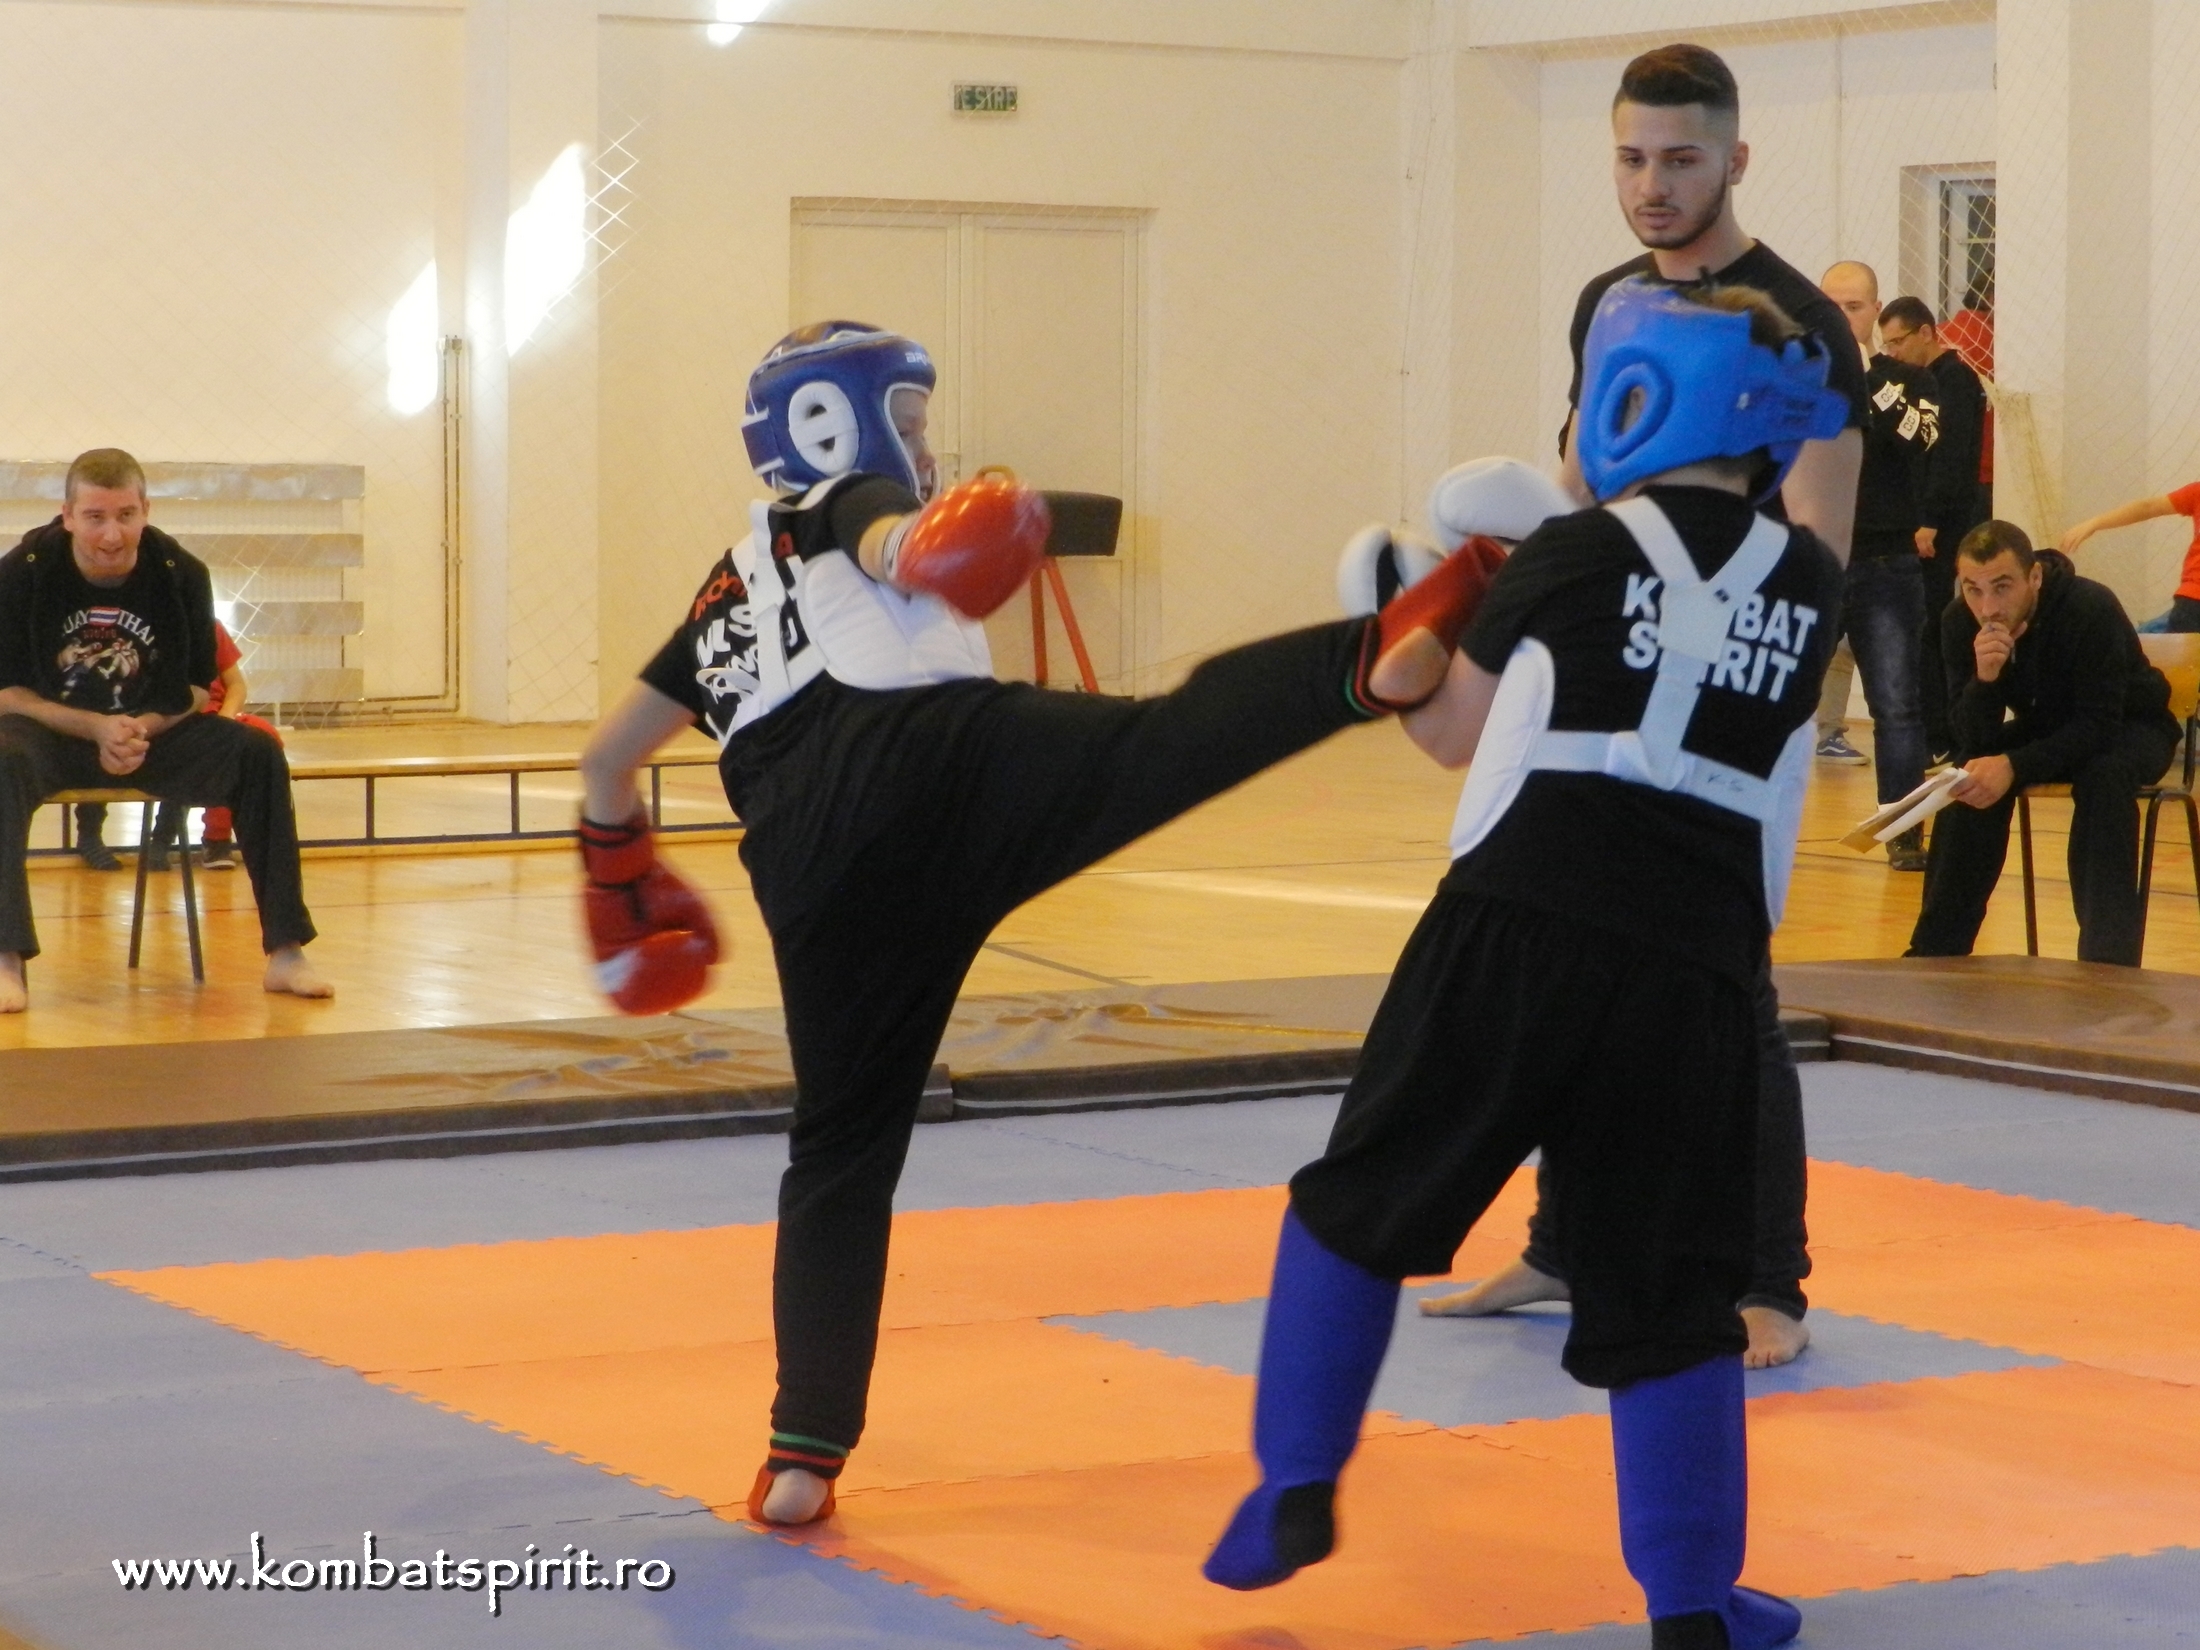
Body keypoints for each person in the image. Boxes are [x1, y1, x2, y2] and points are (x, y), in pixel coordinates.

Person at [573, 321, 1498, 1529]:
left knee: (841, 1149)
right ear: (828, 427)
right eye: (907, 423)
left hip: (806, 862)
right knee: (1161, 738)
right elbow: (890, 537)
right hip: (931, 757)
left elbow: (606, 761)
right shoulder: (838, 500)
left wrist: (616, 871)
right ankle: (1364, 661)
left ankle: (803, 1453)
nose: (924, 447)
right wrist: (932, 540)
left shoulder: (718, 596)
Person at [1203, 279, 1846, 1650]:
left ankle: (1292, 1484)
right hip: (1699, 963)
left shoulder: (1575, 552)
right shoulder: (1809, 582)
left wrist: (1399, 629)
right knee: (1673, 1290)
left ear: (1632, 400)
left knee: (1363, 1196)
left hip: (1518, 920)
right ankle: (1692, 1603)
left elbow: (1449, 732)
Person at [1428, 41, 1867, 1371]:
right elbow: (1585, 482)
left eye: (1681, 159)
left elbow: (1820, 546)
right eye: (1630, 158)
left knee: (1732, 980)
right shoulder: (1608, 300)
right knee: (1583, 954)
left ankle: (1769, 1281)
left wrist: (1750, 676)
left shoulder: (1798, 320)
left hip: (1734, 682)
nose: (1652, 185)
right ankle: (1565, 1244)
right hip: (1607, 667)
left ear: (1736, 158)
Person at [0, 449, 331, 1012]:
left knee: (257, 751)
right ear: (68, 515)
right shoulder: (22, 571)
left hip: (151, 733)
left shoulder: (181, 573)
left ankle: (287, 950)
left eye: (126, 515)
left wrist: (140, 728)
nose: (112, 534)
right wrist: (95, 727)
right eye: (95, 517)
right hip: (55, 733)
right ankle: (7, 957)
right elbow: (7, 692)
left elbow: (199, 687)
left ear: (146, 510)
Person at [1908, 521, 2178, 967]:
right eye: (1973, 589)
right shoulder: (1958, 621)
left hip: (2131, 725)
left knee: (2103, 776)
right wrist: (1986, 680)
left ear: (2033, 576)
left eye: (2002, 587)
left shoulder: (2090, 607)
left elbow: (2098, 725)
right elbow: (1971, 735)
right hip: (2049, 726)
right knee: (1970, 773)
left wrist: (2015, 765)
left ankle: (2108, 964)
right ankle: (1936, 952)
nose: (1988, 607)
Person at [1813, 261, 1935, 869]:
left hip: (1886, 562)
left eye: (1854, 306)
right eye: (1831, 305)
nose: (1842, 317)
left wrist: (1864, 376)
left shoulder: (1903, 379)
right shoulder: (1797, 375)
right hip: (1814, 559)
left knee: (1895, 704)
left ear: (1875, 311)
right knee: (1775, 697)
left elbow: (1923, 437)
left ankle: (1904, 833)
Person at [1880, 294, 1992, 755]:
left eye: (1899, 342)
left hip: (1946, 523)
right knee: (1921, 626)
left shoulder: (1955, 380)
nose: (1893, 352)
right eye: (1886, 345)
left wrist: (1929, 520)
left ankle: (1942, 735)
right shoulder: (1918, 382)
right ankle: (1934, 732)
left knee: (1931, 626)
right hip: (1924, 519)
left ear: (1926, 332)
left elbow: (1950, 459)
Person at [143, 619, 269, 871]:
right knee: (199, 751)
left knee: (263, 737)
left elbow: (236, 685)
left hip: (218, 715)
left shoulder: (209, 626)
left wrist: (226, 718)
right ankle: (171, 838)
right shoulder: (150, 627)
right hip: (177, 716)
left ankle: (252, 839)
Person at [2059, 485, 2200, 632]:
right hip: (2192, 601)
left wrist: (2095, 523)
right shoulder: (2196, 493)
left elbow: (2149, 507)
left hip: (2190, 603)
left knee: (2152, 631)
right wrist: (2094, 523)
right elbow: (2148, 507)